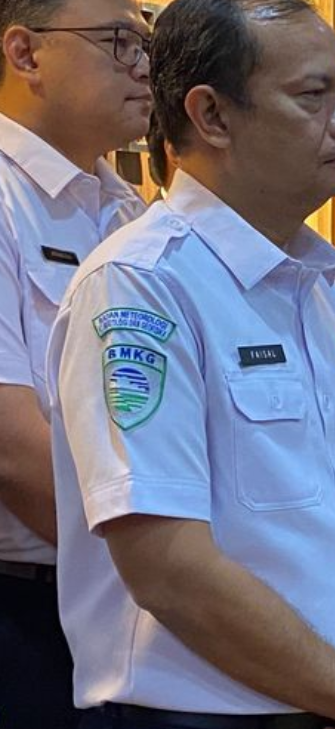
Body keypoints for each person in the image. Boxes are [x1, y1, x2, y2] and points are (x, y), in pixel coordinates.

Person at [47, 1, 335, 727]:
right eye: (312, 95)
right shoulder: (143, 284)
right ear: (212, 115)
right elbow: (167, 565)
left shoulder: (318, 286)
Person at [0, 0, 150, 725]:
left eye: (146, 44)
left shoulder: (129, 210)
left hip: (137, 600)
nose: (143, 65)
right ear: (26, 54)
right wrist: (172, 564)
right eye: (120, 40)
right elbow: (12, 447)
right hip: (24, 609)